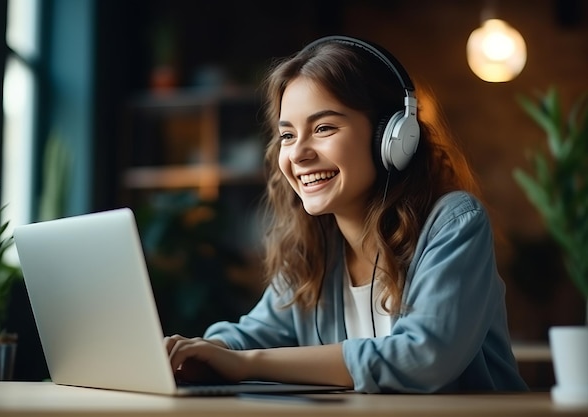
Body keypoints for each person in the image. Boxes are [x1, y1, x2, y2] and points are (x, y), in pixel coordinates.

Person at [165, 35, 528, 393]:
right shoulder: (313, 245)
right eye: (288, 135)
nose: (298, 154)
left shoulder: (453, 223)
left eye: (323, 128)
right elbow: (254, 334)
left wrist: (247, 364)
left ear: (393, 137)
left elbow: (423, 356)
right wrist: (208, 350)